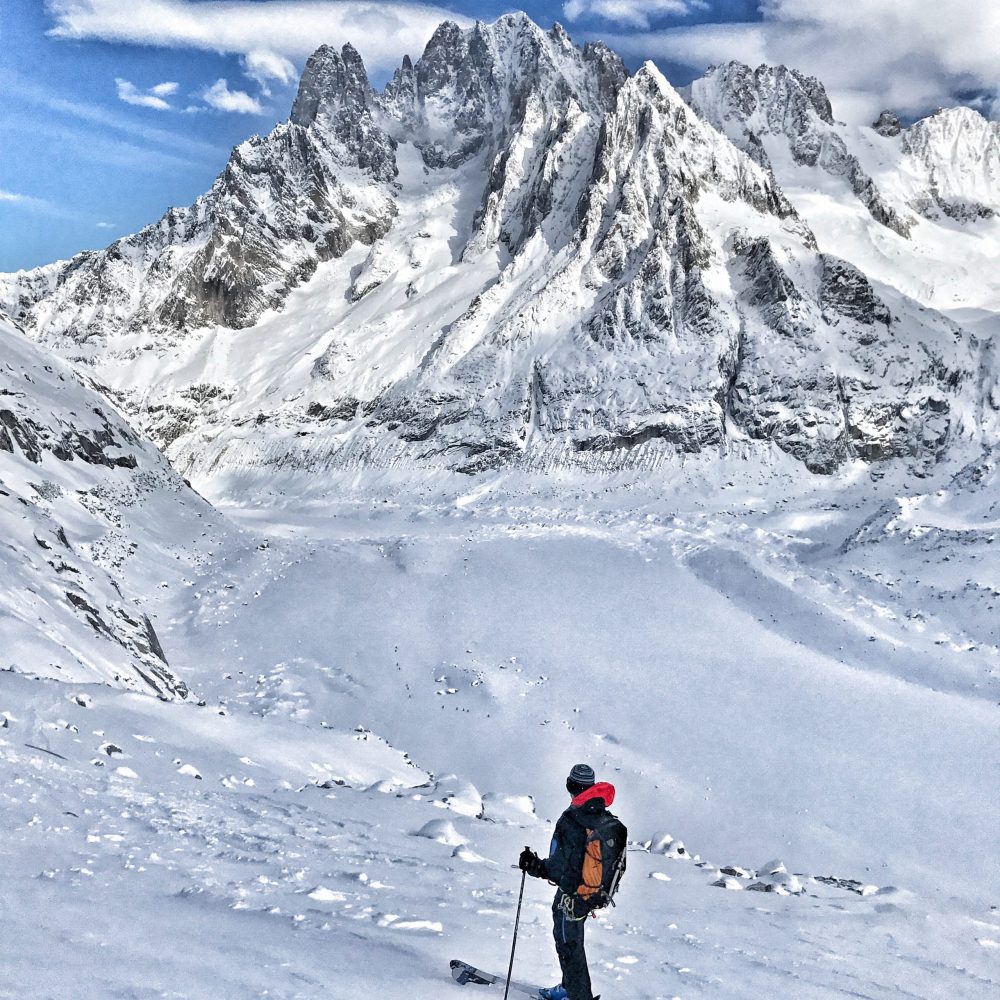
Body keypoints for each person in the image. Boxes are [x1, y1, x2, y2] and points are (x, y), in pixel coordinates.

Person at [518, 763, 619, 1000]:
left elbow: (556, 868)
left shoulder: (571, 820)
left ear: (570, 785)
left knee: (569, 947)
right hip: (590, 894)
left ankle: (577, 996)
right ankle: (569, 988)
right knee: (572, 942)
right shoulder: (602, 816)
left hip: (571, 896)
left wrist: (533, 866)